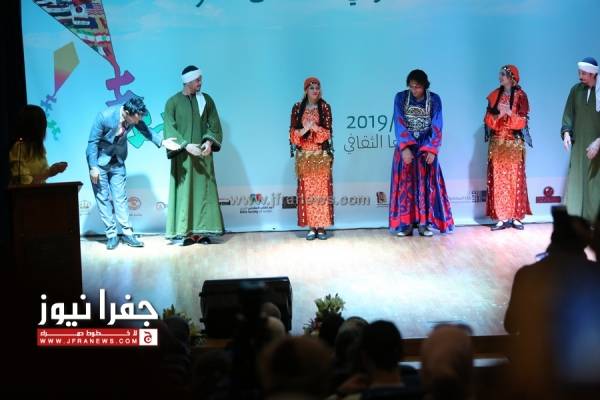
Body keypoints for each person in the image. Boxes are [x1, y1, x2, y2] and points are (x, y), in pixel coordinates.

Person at [86, 95, 180, 250]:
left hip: (118, 160)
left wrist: (162, 142)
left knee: (120, 198)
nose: (138, 121)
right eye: (137, 118)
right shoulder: (105, 116)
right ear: (127, 112)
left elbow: (145, 130)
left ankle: (127, 233)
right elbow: (92, 143)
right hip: (99, 162)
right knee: (103, 198)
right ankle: (111, 235)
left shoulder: (133, 118)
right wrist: (93, 167)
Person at [163, 65, 224, 245]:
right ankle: (186, 233)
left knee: (204, 194)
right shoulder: (172, 102)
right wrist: (185, 145)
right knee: (185, 194)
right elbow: (169, 129)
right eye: (197, 80)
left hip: (202, 156)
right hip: (182, 158)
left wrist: (209, 142)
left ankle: (202, 232)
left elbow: (214, 124)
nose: (200, 82)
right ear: (188, 81)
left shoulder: (206, 100)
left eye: (200, 79)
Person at [389, 69, 454, 237]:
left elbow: (437, 125)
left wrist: (432, 149)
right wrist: (404, 148)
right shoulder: (401, 98)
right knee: (406, 186)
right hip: (407, 148)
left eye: (417, 87)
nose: (414, 90)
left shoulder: (434, 99)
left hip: (425, 147)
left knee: (426, 186)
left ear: (425, 86)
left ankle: (424, 224)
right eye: (411, 86)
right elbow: (399, 122)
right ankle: (407, 224)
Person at [484, 65, 533, 231]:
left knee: (515, 179)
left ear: (512, 78)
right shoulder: (495, 95)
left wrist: (510, 114)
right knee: (498, 180)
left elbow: (523, 122)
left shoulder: (521, 96)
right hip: (498, 143)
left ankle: (515, 216)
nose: (500, 77)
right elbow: (488, 120)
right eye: (500, 74)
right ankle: (501, 217)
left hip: (514, 143)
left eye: (503, 74)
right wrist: (500, 114)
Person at [289, 77, 334, 240]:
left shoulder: (325, 107)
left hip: (320, 155)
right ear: (306, 90)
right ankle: (311, 227)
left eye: (317, 87)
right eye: (312, 88)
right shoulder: (297, 108)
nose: (315, 91)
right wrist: (304, 129)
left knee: (321, 192)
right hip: (305, 156)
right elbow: (293, 135)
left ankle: (321, 226)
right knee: (308, 192)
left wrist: (314, 127)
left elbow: (327, 133)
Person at [561, 56, 600, 223]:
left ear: (593, 74)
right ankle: (575, 221)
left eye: (584, 73)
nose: (580, 76)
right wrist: (566, 133)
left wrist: (598, 142)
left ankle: (594, 221)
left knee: (595, 183)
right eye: (580, 72)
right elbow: (568, 114)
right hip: (579, 145)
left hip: (597, 144)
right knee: (576, 180)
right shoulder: (576, 90)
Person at [9, 104, 67, 184]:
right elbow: (25, 183)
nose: (45, 127)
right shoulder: (19, 148)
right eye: (43, 124)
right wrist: (49, 172)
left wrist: (55, 168)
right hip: (25, 192)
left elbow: (43, 175)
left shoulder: (39, 147)